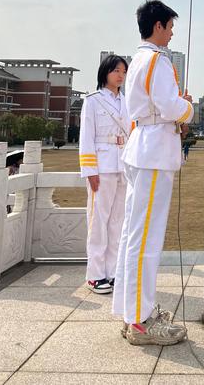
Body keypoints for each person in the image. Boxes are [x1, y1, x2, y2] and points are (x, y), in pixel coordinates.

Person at [112, 0, 194, 347]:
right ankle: (140, 321)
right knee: (145, 239)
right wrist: (188, 105)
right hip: (153, 153)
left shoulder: (138, 60)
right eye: (170, 26)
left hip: (143, 147)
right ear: (158, 25)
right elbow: (171, 105)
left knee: (135, 235)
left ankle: (132, 312)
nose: (173, 32)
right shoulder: (157, 61)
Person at [79, 54, 130, 294]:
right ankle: (95, 274)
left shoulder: (127, 102)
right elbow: (86, 138)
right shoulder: (93, 101)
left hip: (123, 165)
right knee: (98, 222)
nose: (120, 75)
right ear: (105, 73)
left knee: (117, 222)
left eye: (123, 71)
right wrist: (90, 170)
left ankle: (112, 272)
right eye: (116, 71)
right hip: (102, 166)